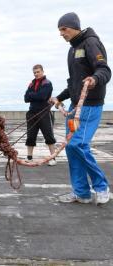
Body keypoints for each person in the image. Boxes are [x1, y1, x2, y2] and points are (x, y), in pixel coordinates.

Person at [50, 12, 111, 204]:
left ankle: (101, 187)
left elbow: (104, 70)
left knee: (79, 144)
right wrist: (59, 98)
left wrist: (94, 79)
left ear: (74, 26)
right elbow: (74, 83)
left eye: (64, 29)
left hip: (90, 105)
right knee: (71, 148)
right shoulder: (73, 49)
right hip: (75, 105)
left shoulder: (91, 43)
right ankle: (81, 193)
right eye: (59, 30)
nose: (61, 33)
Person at [24, 64, 57, 166]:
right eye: (34, 72)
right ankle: (29, 157)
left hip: (44, 113)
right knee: (30, 136)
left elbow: (42, 96)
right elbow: (25, 98)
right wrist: (34, 96)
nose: (36, 74)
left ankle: (53, 158)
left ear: (42, 71)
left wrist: (31, 95)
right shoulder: (31, 84)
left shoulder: (47, 83)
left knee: (49, 136)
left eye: (38, 72)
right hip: (32, 113)